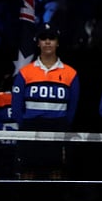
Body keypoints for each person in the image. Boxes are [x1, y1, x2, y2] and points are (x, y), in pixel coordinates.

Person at [12, 23, 80, 179]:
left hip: (57, 129)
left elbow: (73, 107)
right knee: (27, 175)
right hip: (30, 129)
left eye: (51, 38)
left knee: (55, 176)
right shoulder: (25, 72)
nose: (48, 42)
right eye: (43, 38)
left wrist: (63, 125)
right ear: (38, 43)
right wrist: (25, 125)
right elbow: (16, 105)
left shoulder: (70, 73)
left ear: (58, 42)